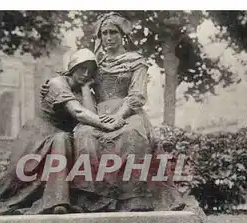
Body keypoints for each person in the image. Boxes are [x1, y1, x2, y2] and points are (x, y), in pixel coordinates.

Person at [42, 13, 186, 212]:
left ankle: (132, 197)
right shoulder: (95, 63)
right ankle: (91, 197)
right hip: (98, 112)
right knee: (84, 134)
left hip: (129, 111)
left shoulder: (136, 61)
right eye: (104, 34)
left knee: (131, 134)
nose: (108, 38)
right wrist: (51, 87)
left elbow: (137, 94)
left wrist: (119, 116)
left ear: (122, 35)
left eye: (113, 33)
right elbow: (74, 80)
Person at [0, 49, 125, 217]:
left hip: (61, 140)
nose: (86, 73)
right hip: (37, 136)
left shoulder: (82, 90)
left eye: (90, 70)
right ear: (73, 67)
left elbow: (90, 116)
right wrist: (107, 125)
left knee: (63, 140)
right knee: (12, 183)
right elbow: (79, 113)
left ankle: (58, 201)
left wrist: (87, 88)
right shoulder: (57, 83)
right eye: (82, 68)